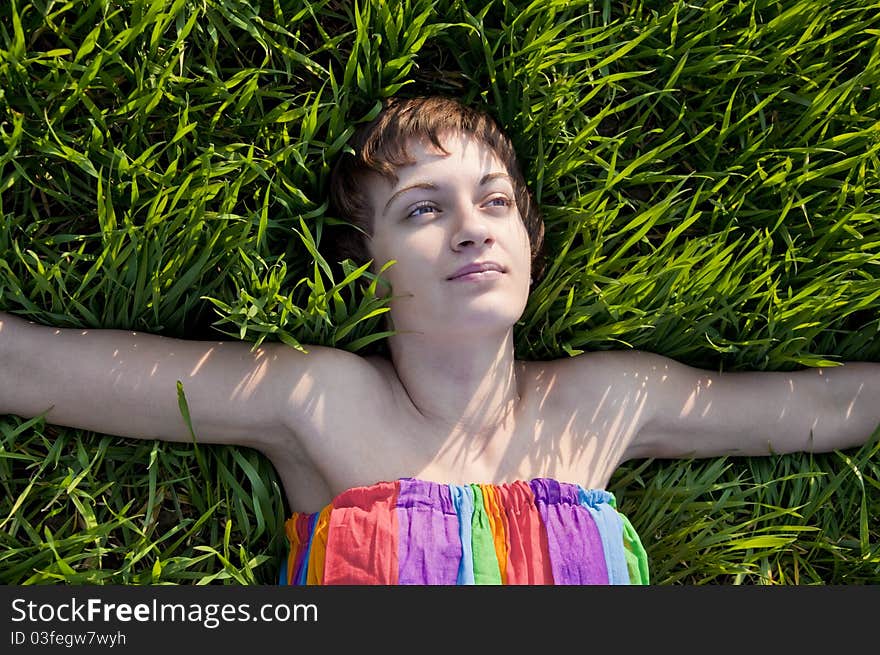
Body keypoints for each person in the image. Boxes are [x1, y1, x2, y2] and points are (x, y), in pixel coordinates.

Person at [1, 96, 878, 585]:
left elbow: (824, 406)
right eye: (424, 208)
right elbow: (35, 365)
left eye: (496, 202)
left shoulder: (606, 400)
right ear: (363, 267)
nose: (473, 229)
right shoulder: (319, 399)